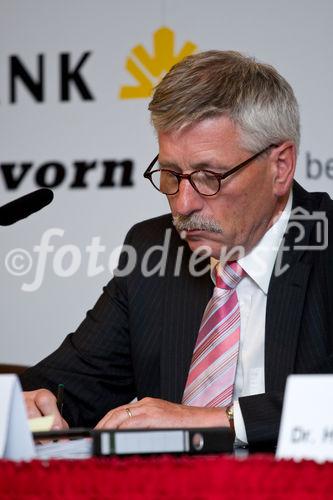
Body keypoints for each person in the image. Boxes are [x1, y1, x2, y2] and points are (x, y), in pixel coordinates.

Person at [20, 50, 333, 448]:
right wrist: (30, 404)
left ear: (281, 166)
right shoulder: (153, 249)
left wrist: (216, 420)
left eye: (208, 176)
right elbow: (71, 383)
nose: (183, 204)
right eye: (171, 175)